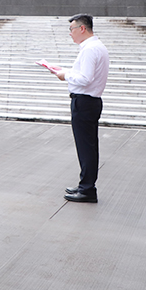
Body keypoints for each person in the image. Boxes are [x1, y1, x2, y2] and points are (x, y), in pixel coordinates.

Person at [46, 14, 109, 204]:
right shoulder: (96, 47)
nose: (70, 34)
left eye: (72, 29)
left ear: (82, 29)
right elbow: (84, 75)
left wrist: (64, 76)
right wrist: (65, 70)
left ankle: (88, 189)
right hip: (89, 101)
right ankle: (85, 185)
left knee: (86, 148)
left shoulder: (90, 49)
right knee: (88, 146)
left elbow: (85, 79)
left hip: (84, 102)